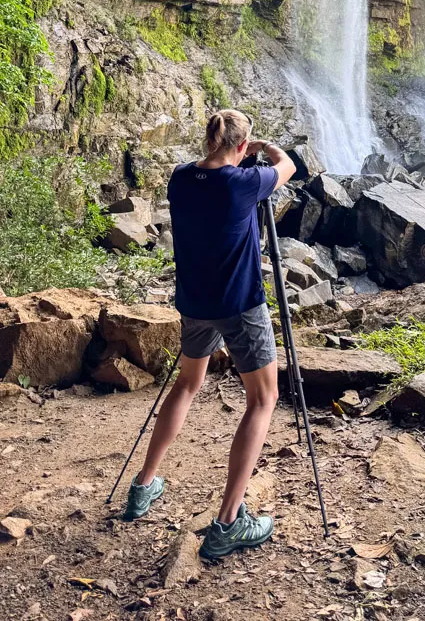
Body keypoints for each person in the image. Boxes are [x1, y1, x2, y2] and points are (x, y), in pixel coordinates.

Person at [123, 108, 296, 560]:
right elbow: (289, 165)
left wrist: (242, 151)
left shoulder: (181, 178)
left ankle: (143, 487)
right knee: (263, 400)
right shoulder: (241, 184)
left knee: (187, 384)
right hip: (239, 305)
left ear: (208, 141)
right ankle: (228, 523)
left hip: (195, 303)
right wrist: (263, 151)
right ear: (241, 147)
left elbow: (212, 172)